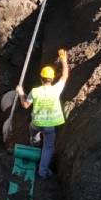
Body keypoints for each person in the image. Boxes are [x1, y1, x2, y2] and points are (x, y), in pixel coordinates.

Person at [16, 48, 69, 179]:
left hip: (36, 123)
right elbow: (65, 75)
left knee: (34, 137)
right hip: (50, 126)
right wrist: (63, 60)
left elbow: (25, 105)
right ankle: (42, 171)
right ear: (52, 79)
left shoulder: (35, 91)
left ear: (41, 79)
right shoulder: (56, 89)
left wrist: (21, 93)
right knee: (48, 148)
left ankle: (34, 149)